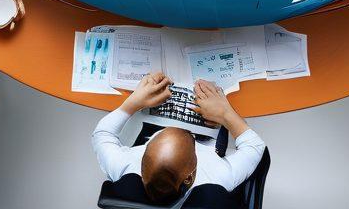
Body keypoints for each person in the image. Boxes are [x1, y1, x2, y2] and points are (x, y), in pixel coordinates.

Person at [92, 73, 266, 201]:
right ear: (190, 176)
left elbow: (103, 134)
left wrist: (133, 103)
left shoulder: (125, 165)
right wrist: (225, 114)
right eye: (191, 141)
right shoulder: (218, 178)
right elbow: (255, 147)